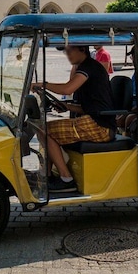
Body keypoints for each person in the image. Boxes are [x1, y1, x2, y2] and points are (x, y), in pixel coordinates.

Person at [30, 45, 115, 193]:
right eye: (65, 51)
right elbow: (87, 107)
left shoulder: (88, 67)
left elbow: (67, 89)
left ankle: (66, 179)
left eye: (70, 50)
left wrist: (43, 84)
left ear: (82, 49)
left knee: (44, 130)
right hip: (95, 119)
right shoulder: (85, 67)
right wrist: (66, 107)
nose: (67, 54)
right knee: (46, 128)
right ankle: (47, 176)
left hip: (100, 126)